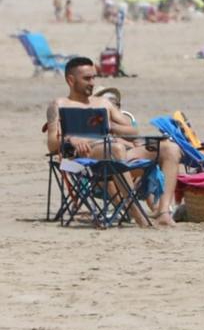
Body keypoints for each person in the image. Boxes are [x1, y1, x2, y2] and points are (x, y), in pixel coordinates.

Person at [45, 57, 181, 226]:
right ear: (71, 80)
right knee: (116, 149)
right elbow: (52, 143)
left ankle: (163, 212)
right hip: (80, 162)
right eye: (87, 78)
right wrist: (71, 139)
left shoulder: (103, 103)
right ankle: (138, 215)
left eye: (94, 77)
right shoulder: (59, 104)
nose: (92, 82)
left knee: (170, 148)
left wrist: (109, 126)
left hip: (117, 155)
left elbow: (132, 130)